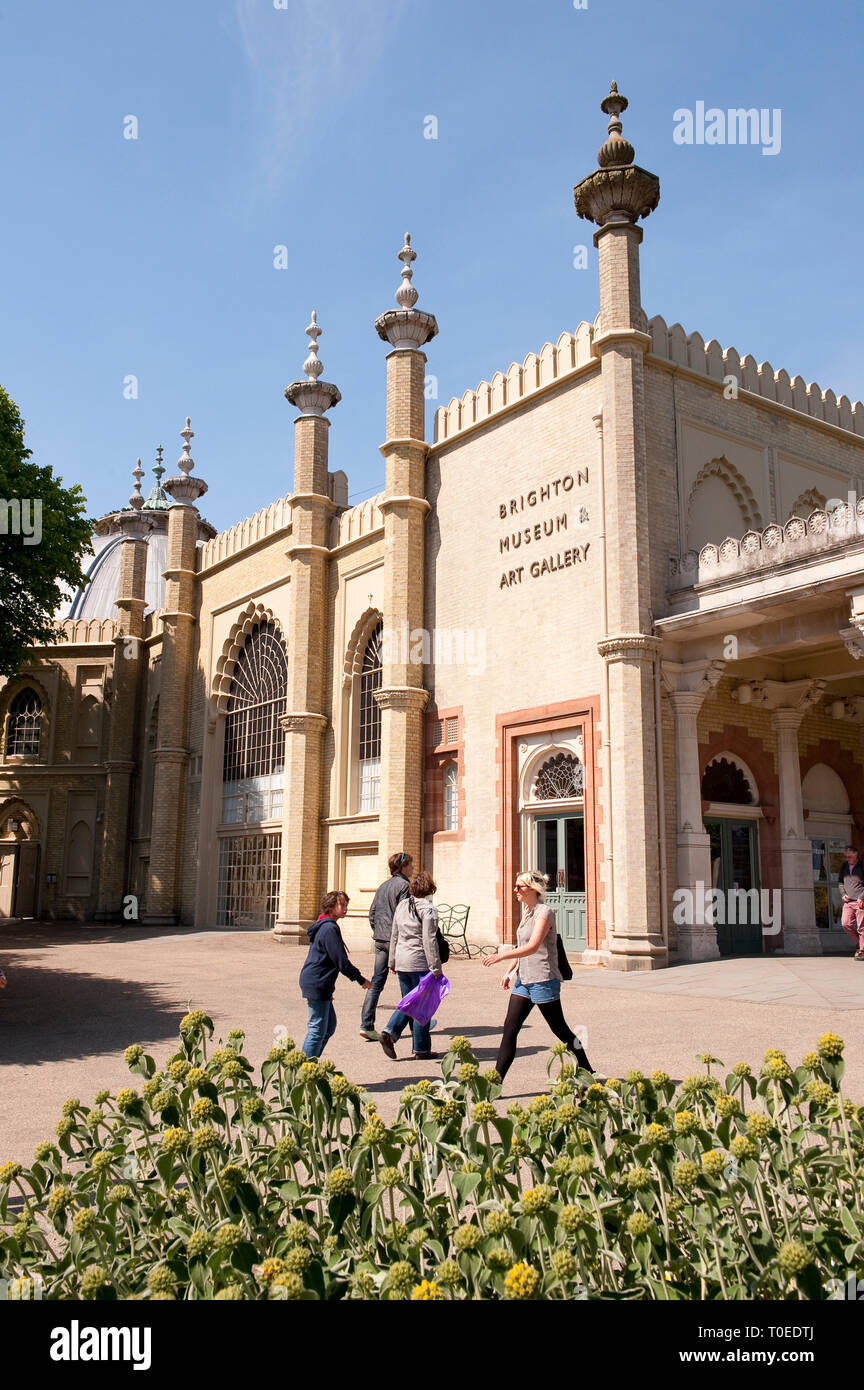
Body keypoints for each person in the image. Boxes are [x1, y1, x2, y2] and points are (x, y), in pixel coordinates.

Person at [482, 869, 592, 1081]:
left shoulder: (545, 912)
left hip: (543, 979)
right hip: (524, 980)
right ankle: (495, 1082)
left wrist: (500, 956)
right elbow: (521, 945)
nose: (515, 891)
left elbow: (533, 946)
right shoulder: (527, 912)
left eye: (519, 887)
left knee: (561, 1031)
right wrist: (510, 971)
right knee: (510, 1030)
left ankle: (588, 1071)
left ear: (533, 890)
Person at [379, 871, 443, 1061]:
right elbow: (429, 939)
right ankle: (391, 1031)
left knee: (413, 1001)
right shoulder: (428, 909)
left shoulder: (402, 906)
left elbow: (395, 935)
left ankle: (421, 1048)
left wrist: (392, 961)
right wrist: (435, 967)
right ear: (429, 889)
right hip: (419, 961)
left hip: (402, 961)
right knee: (418, 1004)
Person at [299, 890, 371, 1058]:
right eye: (342, 905)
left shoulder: (326, 925)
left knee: (329, 1026)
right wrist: (360, 979)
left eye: (346, 904)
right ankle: (304, 1072)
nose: (345, 908)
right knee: (317, 1030)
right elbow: (341, 961)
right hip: (316, 981)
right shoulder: (329, 928)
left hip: (320, 982)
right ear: (331, 907)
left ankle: (311, 1062)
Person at [360, 851, 413, 1040]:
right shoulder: (405, 886)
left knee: (376, 983)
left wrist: (378, 931)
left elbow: (372, 913)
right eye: (410, 865)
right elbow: (404, 915)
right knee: (409, 984)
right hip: (395, 941)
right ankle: (416, 1025)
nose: (413, 868)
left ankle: (366, 1024)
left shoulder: (383, 886)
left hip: (380, 940)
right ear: (403, 866)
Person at [839, 844, 864, 960]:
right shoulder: (844, 866)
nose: (847, 859)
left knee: (861, 927)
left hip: (860, 901)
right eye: (846, 857)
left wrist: (862, 897)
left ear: (856, 855)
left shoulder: (862, 866)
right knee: (845, 924)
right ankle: (860, 945)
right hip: (848, 902)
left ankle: (861, 951)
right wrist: (843, 894)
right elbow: (840, 883)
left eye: (849, 857)